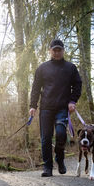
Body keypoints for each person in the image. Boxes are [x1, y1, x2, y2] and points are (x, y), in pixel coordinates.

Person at [29, 39, 82, 177]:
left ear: (63, 51)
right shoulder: (42, 68)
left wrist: (72, 101)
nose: (57, 52)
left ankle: (60, 157)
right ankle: (47, 167)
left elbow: (77, 85)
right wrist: (33, 106)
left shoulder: (70, 68)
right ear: (50, 51)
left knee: (60, 134)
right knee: (45, 138)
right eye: (54, 50)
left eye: (59, 50)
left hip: (62, 108)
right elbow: (35, 88)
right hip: (46, 108)